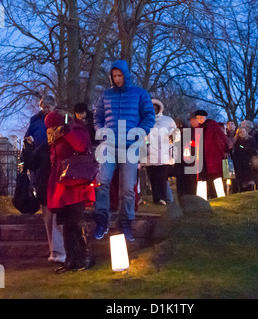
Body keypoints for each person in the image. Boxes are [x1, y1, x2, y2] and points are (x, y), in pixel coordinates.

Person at [93, 60, 155, 241]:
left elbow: (149, 116)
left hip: (130, 146)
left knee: (128, 188)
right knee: (102, 181)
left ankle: (126, 221)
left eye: (120, 75)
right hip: (110, 145)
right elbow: (97, 117)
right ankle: (102, 219)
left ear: (125, 75)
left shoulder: (139, 94)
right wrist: (101, 132)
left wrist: (139, 133)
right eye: (114, 76)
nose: (117, 79)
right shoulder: (106, 95)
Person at [45, 110, 96, 273]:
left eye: (52, 126)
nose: (49, 131)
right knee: (67, 223)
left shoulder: (76, 129)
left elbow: (82, 146)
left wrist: (67, 132)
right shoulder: (56, 137)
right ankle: (71, 259)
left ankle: (86, 256)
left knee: (76, 220)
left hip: (76, 183)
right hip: (63, 186)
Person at [22, 95, 65, 264]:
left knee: (58, 215)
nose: (45, 109)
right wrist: (28, 148)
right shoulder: (35, 121)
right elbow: (29, 139)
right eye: (43, 107)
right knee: (47, 211)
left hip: (57, 165)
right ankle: (54, 249)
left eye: (48, 106)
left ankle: (61, 249)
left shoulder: (62, 118)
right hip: (41, 163)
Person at [143, 99, 178, 206]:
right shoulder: (145, 120)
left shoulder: (168, 120)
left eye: (155, 108)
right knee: (152, 178)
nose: (154, 111)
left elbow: (176, 133)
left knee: (162, 178)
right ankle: (156, 199)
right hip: (150, 154)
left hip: (164, 155)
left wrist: (171, 140)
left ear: (159, 109)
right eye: (151, 109)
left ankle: (163, 198)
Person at [195, 109, 229, 199]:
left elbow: (221, 135)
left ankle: (219, 195)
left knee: (216, 175)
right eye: (198, 118)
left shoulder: (212, 124)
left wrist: (226, 146)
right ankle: (206, 196)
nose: (200, 120)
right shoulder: (198, 128)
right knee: (205, 176)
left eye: (201, 117)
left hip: (213, 154)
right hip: (202, 155)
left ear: (205, 117)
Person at [233, 127, 258, 192]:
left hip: (249, 162)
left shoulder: (251, 140)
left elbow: (254, 150)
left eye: (243, 131)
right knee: (243, 182)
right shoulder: (236, 142)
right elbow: (236, 153)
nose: (242, 133)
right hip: (241, 164)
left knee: (251, 179)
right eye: (240, 132)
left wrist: (245, 148)